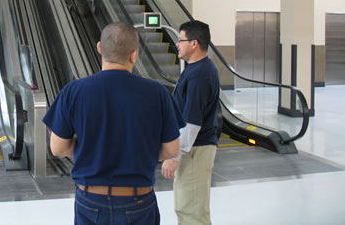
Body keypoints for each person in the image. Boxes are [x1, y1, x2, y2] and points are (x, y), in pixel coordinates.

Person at [43, 22, 184, 224]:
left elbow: (57, 148)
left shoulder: (73, 92)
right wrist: (138, 153)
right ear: (134, 54)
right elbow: (171, 150)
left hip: (90, 200)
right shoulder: (158, 93)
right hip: (138, 200)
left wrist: (93, 151)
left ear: (100, 48)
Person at [161, 20, 220, 225]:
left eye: (181, 40)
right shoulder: (195, 69)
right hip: (193, 150)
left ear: (194, 43)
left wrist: (174, 155)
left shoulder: (199, 76)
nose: (177, 44)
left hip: (196, 150)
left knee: (192, 211)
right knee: (186, 206)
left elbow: (192, 122)